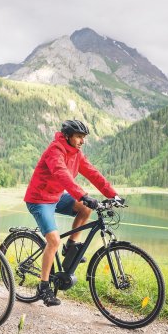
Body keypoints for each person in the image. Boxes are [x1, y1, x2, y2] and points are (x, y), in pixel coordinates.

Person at [24, 119, 124, 306]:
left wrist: (113, 195)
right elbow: (62, 174)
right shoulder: (55, 151)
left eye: (83, 137)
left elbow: (93, 173)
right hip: (39, 199)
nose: (82, 141)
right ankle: (44, 287)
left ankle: (70, 246)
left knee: (85, 208)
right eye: (79, 137)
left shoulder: (77, 154)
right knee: (53, 240)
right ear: (68, 136)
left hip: (55, 196)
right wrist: (83, 195)